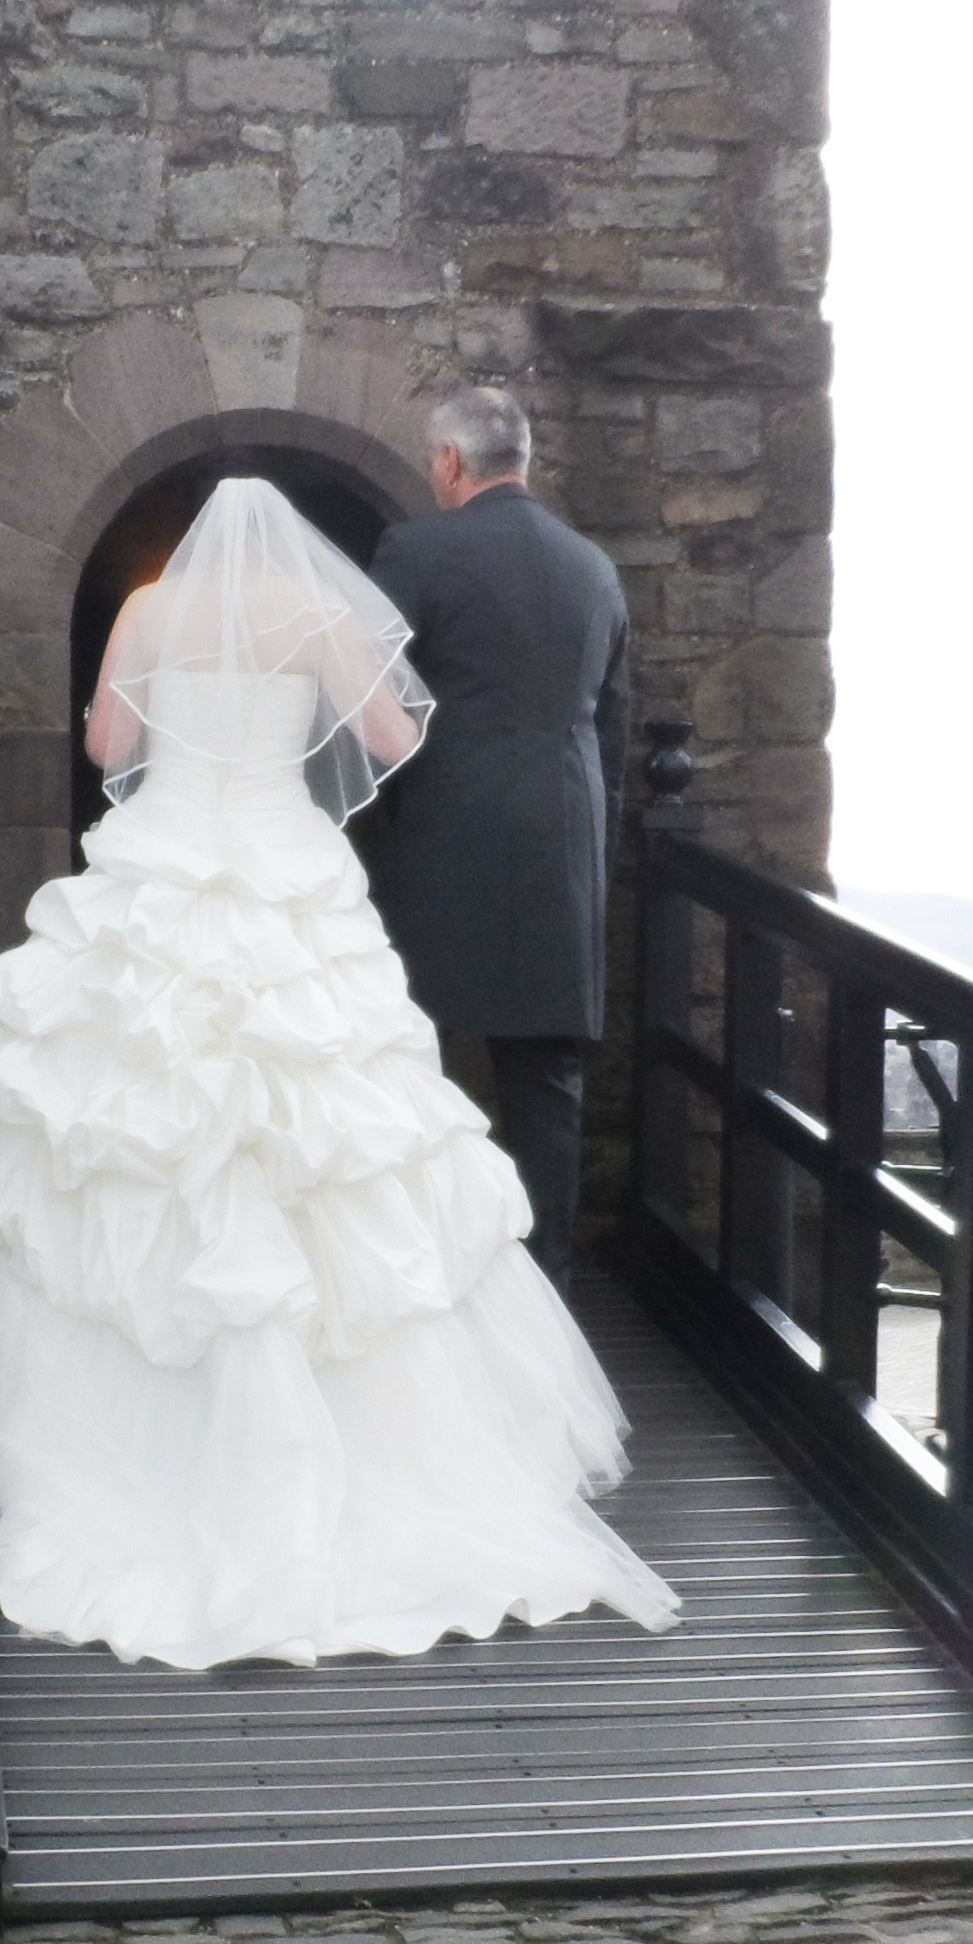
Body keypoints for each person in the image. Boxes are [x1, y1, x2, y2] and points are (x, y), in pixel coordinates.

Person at [0, 477, 678, 1669]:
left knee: (122, 1121)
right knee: (336, 1134)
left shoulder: (147, 605)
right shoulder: (317, 615)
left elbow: (106, 743)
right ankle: (385, 1453)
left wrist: (168, 722)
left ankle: (131, 1443)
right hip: (284, 860)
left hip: (169, 850)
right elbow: (395, 736)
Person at [360, 388, 632, 1288]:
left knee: (411, 1055)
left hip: (439, 838)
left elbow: (368, 696)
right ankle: (541, 1281)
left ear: (447, 462)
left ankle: (421, 1273)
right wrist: (595, 844)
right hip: (562, 840)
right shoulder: (593, 567)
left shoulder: (417, 550)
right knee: (545, 1080)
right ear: (522, 457)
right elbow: (613, 731)